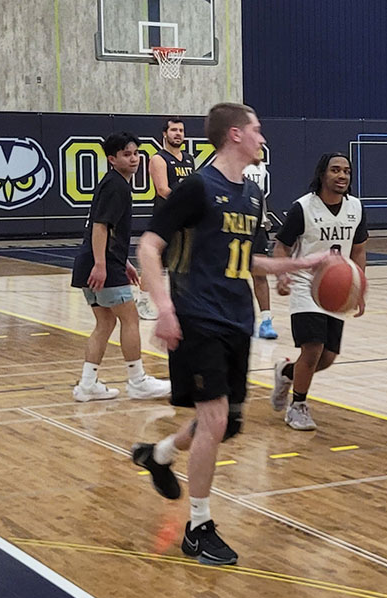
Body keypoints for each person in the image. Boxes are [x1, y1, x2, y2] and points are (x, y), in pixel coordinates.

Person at [131, 103, 328, 566]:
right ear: (236, 135)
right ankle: (198, 527)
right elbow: (149, 245)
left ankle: (157, 455)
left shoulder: (252, 195)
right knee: (216, 420)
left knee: (225, 424)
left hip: (235, 318)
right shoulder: (198, 186)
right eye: (257, 129)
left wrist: (295, 265)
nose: (263, 137)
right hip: (196, 317)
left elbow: (244, 259)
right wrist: (164, 308)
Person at [70, 132, 171, 402]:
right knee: (130, 319)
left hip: (88, 263)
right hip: (98, 265)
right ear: (112, 158)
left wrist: (121, 261)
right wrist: (103, 265)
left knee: (105, 322)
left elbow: (106, 230)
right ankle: (138, 380)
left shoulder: (112, 184)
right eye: (127, 154)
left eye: (136, 153)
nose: (134, 158)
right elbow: (100, 227)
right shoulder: (117, 186)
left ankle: (87, 385)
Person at [270, 153, 368, 431]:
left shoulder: (356, 208)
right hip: (305, 286)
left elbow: (359, 250)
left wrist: (358, 288)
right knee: (312, 349)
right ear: (322, 174)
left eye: (347, 171)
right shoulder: (303, 207)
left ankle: (286, 372)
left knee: (326, 358)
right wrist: (282, 273)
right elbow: (281, 246)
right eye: (335, 170)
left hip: (337, 288)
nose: (342, 176)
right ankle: (298, 406)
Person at [139, 117, 196, 320]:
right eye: (173, 130)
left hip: (185, 220)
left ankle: (181, 302)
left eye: (181, 130)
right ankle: (143, 300)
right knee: (158, 260)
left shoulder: (188, 159)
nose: (178, 133)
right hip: (166, 217)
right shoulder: (158, 158)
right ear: (165, 133)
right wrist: (186, 203)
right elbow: (162, 189)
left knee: (183, 261)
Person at [243, 161, 278, 339]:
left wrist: (264, 220)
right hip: (235, 224)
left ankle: (265, 321)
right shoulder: (227, 164)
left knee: (260, 274)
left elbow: (260, 197)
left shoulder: (260, 167)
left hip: (257, 227)